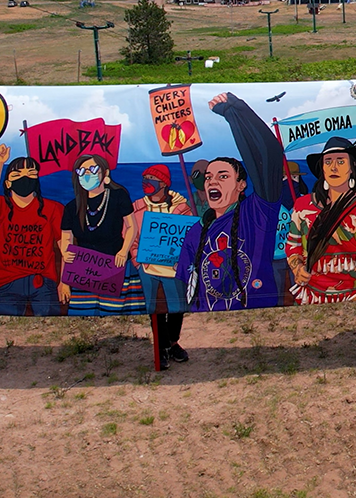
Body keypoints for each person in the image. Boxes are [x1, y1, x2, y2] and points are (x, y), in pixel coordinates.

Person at [179, 94, 294, 312]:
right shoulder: (196, 232)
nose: (213, 181)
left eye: (223, 176)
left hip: (258, 316)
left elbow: (269, 153)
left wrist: (235, 112)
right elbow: (186, 282)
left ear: (241, 185)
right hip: (211, 324)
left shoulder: (258, 213)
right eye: (209, 177)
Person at [285, 136, 356, 304]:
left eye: (340, 161)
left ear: (352, 167)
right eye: (328, 161)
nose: (333, 167)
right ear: (322, 168)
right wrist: (297, 268)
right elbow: (292, 245)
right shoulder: (302, 206)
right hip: (312, 295)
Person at [0, 146, 66, 317]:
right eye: (17, 175)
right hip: (9, 281)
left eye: (31, 173)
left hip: (43, 281)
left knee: (50, 327)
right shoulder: (4, 206)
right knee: (6, 328)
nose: (25, 178)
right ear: (8, 183)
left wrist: (64, 281)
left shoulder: (53, 208)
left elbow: (65, 249)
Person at [124, 164, 194, 363]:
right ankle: (161, 346)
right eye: (144, 178)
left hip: (173, 266)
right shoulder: (137, 207)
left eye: (151, 178)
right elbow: (130, 235)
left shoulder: (181, 207)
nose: (146, 182)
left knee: (177, 305)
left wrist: (181, 261)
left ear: (163, 183)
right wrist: (138, 262)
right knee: (154, 307)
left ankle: (173, 342)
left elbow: (189, 236)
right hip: (147, 266)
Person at [59, 152, 140, 315]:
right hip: (83, 272)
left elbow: (132, 226)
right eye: (82, 171)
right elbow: (66, 240)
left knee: (117, 315)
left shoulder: (118, 196)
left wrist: (123, 251)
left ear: (105, 173)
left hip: (116, 267)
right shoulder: (71, 207)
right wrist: (64, 274)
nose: (87, 174)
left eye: (92, 169)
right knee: (84, 315)